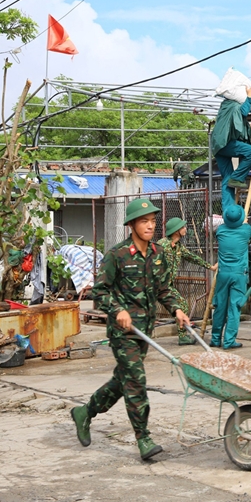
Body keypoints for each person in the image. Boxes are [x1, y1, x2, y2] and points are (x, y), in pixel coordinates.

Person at [70, 198, 190, 461]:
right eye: (144, 221)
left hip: (145, 330)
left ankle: (85, 412)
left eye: (153, 221)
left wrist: (176, 309)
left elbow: (163, 289)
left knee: (123, 380)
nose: (150, 226)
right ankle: (143, 438)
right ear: (132, 225)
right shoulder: (118, 255)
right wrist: (118, 310)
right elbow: (99, 292)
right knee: (136, 381)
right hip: (122, 333)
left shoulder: (157, 253)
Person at [157, 217, 216, 345]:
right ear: (176, 231)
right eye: (183, 227)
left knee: (182, 304)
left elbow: (192, 257)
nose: (185, 228)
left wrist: (210, 267)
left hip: (166, 287)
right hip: (153, 285)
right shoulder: (161, 245)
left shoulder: (178, 247)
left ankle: (183, 337)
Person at [211, 204, 251, 350]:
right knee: (235, 307)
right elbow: (248, 230)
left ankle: (215, 339)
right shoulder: (246, 230)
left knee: (220, 306)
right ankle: (229, 341)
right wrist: (244, 222)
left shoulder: (220, 231)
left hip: (223, 274)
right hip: (238, 274)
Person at [211, 85, 251, 209]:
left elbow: (235, 124)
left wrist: (248, 127)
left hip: (218, 146)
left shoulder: (225, 107)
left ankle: (228, 212)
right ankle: (237, 177)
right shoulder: (233, 105)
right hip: (225, 143)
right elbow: (243, 112)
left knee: (227, 179)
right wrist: (250, 97)